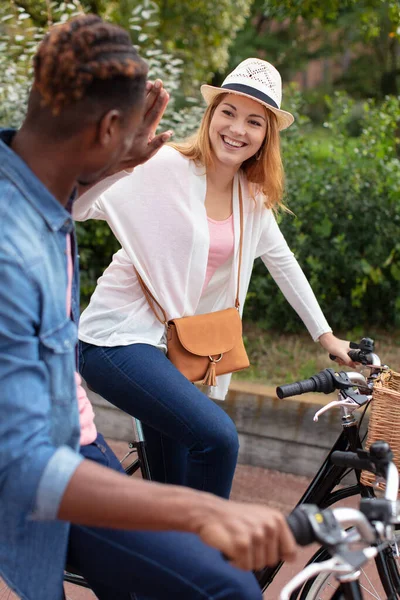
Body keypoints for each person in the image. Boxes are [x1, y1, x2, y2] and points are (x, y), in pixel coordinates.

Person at [0, 14, 297, 600]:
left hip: (76, 443)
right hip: (44, 477)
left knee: (189, 579)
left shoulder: (41, 200)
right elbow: (24, 467)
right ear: (110, 126)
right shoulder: (13, 252)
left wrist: (114, 165)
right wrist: (191, 513)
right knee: (227, 587)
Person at [73, 57, 354, 499]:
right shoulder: (162, 165)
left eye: (254, 121)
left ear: (266, 137)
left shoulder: (252, 198)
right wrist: (118, 162)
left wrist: (327, 338)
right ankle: (207, 564)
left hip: (176, 355)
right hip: (117, 339)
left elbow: (284, 264)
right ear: (211, 115)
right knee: (218, 438)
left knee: (175, 495)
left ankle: (160, 562)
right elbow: (76, 207)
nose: (237, 129)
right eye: (228, 112)